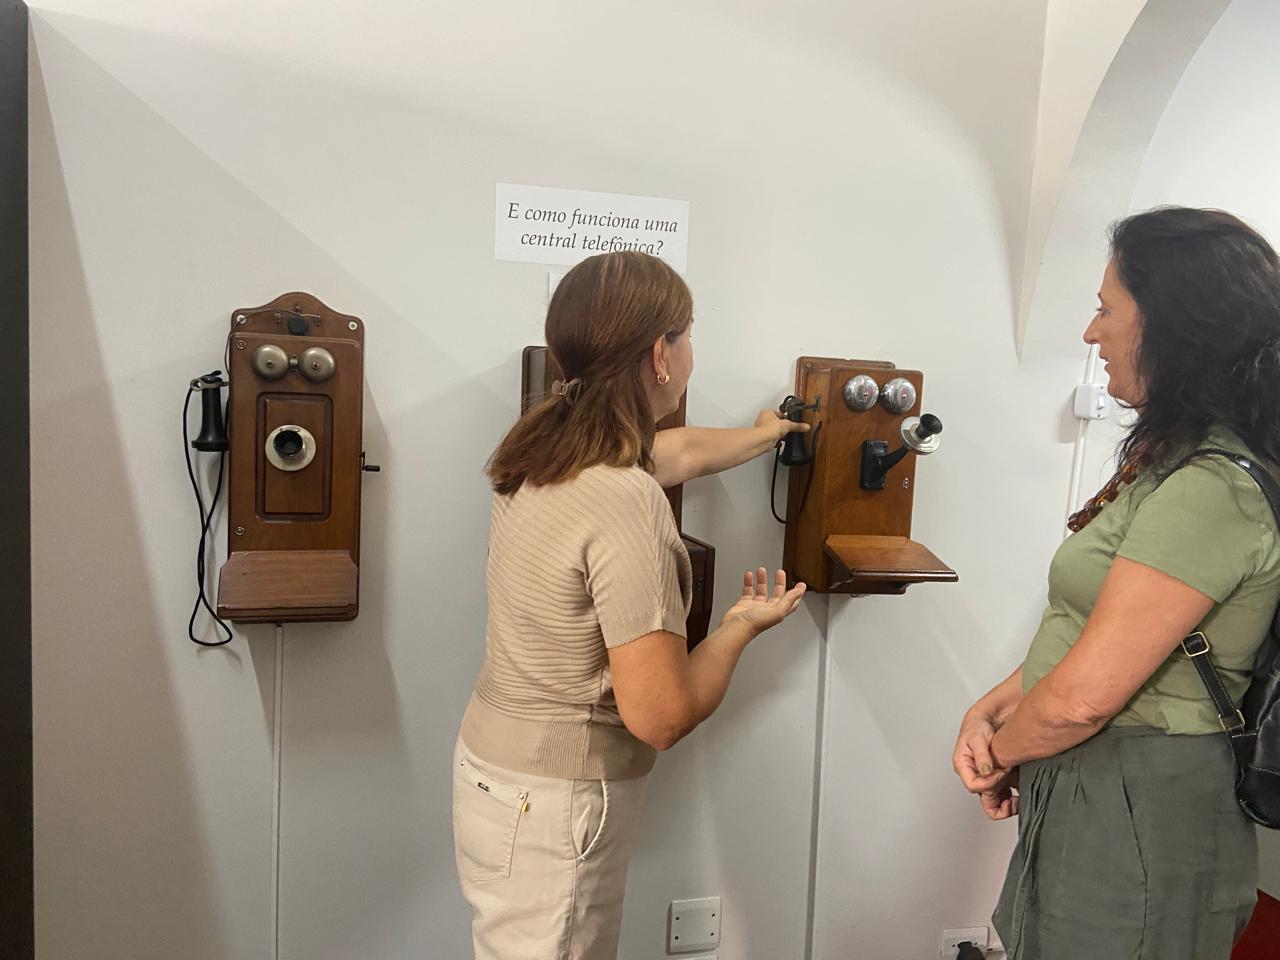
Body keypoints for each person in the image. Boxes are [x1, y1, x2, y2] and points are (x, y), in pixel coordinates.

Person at [453, 250, 808, 960]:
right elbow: (662, 716)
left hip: (494, 777)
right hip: (558, 803)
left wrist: (766, 434)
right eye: (688, 334)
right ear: (661, 356)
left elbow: (673, 453)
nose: (692, 351)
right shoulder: (624, 499)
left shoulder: (544, 448)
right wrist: (739, 626)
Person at [953, 207, 1280, 959]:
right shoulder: (1173, 461)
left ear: (1174, 327)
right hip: (1099, 788)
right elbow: (1100, 630)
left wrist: (1003, 748)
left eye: (1106, 309)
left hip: (1140, 802)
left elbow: (1080, 700)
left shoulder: (1211, 488)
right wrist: (1001, 703)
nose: (1089, 332)